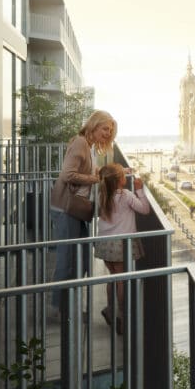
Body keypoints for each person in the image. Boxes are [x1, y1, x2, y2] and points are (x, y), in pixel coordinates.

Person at [49, 110, 117, 321]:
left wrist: (112, 172)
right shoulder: (80, 143)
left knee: (83, 260)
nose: (108, 133)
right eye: (105, 128)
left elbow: (89, 170)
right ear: (94, 126)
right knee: (67, 261)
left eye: (110, 130)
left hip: (77, 210)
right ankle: (61, 310)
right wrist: (94, 180)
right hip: (66, 209)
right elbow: (67, 174)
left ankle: (68, 306)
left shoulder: (87, 146)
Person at [93, 164, 151, 334]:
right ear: (120, 180)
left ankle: (110, 310)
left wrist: (121, 171)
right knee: (121, 281)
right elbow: (145, 209)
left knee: (113, 277)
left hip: (105, 242)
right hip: (121, 244)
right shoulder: (126, 195)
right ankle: (122, 318)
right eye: (122, 175)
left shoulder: (102, 194)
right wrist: (140, 190)